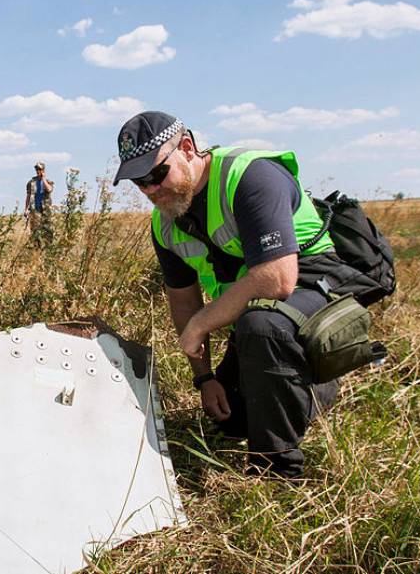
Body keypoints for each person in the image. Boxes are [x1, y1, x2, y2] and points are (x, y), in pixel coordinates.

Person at [113, 111, 340, 477]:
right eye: (140, 182)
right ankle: (308, 388)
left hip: (313, 285)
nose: (151, 190)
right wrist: (204, 378)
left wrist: (203, 324)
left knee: (262, 325)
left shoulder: (249, 177)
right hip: (254, 307)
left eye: (156, 174)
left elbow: (277, 278)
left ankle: (275, 469)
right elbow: (184, 301)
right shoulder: (166, 225)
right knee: (233, 418)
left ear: (186, 148)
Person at [25, 161, 56, 232]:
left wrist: (44, 179)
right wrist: (26, 209)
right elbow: (28, 196)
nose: (38, 171)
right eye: (37, 169)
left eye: (40, 169)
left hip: (46, 210)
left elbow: (49, 189)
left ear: (43, 170)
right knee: (35, 232)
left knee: (48, 230)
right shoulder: (31, 182)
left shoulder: (48, 181)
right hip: (35, 210)